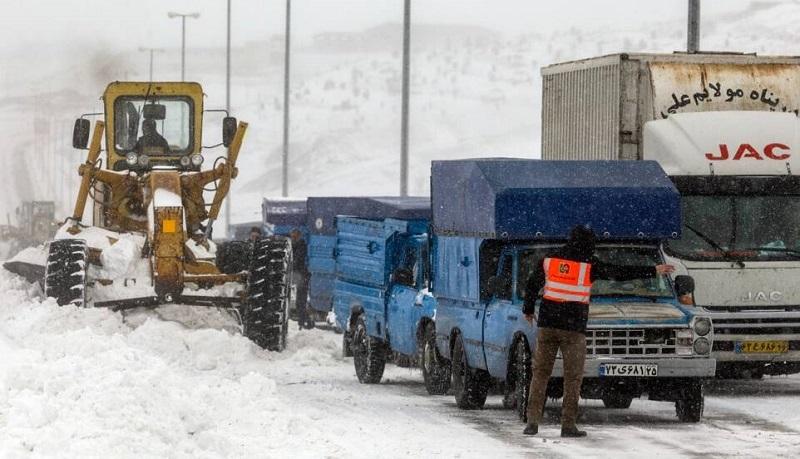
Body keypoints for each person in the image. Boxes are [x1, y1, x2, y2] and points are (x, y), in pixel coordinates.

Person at [522, 225, 674, 438]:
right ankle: (568, 425)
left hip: (547, 326)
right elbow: (619, 273)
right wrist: (653, 270)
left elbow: (531, 285)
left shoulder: (549, 260)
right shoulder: (589, 264)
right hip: (573, 329)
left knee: (540, 374)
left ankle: (532, 422)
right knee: (572, 378)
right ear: (588, 243)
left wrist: (529, 309)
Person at [290, 229, 314, 330]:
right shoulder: (298, 245)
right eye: (292, 236)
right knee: (300, 301)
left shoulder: (300, 245)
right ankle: (304, 321)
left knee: (300, 302)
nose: (292, 238)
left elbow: (297, 260)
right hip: (302, 275)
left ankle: (304, 322)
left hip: (302, 275)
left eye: (294, 236)